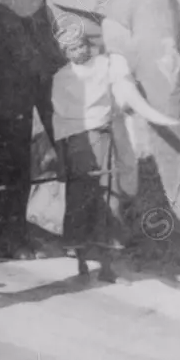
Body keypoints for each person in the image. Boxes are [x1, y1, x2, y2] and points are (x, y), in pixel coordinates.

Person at [51, 36, 133, 283]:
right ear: (65, 52)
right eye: (72, 48)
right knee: (80, 201)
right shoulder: (61, 78)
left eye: (81, 45)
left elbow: (121, 94)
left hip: (105, 139)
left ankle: (108, 268)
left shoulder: (105, 65)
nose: (78, 51)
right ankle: (82, 262)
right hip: (77, 145)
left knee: (109, 200)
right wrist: (62, 161)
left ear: (89, 45)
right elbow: (59, 120)